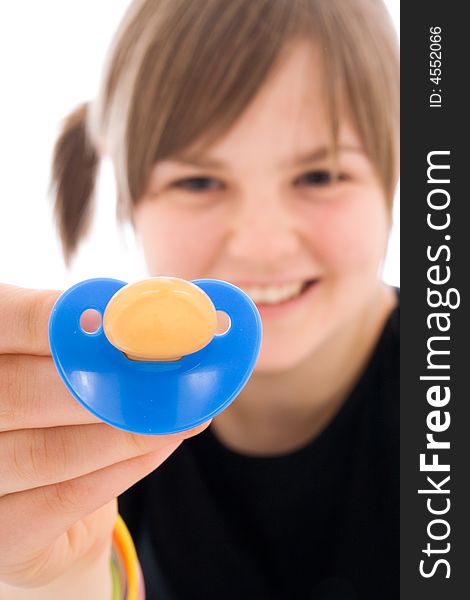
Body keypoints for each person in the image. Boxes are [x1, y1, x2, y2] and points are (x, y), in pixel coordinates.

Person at [0, 0, 399, 598]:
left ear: (395, 177)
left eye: (320, 176)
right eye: (199, 182)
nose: (262, 245)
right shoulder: (81, 437)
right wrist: (56, 578)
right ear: (130, 199)